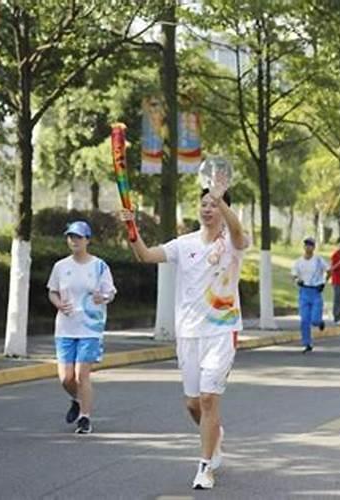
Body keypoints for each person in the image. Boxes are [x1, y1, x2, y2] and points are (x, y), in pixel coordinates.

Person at [119, 188, 249, 491]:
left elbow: (239, 231)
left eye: (214, 204)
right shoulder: (184, 244)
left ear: (225, 210)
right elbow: (146, 255)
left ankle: (204, 468)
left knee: (207, 399)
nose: (207, 209)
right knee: (192, 404)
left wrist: (222, 199)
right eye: (203, 204)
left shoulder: (234, 244)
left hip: (221, 331)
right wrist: (132, 229)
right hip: (189, 333)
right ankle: (214, 435)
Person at [46, 220, 116, 435]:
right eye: (71, 237)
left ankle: (85, 418)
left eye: (78, 237)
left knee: (80, 375)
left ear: (87, 240)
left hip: (90, 327)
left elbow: (111, 293)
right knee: (65, 378)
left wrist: (101, 297)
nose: (74, 241)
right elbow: (52, 291)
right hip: (65, 327)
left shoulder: (99, 266)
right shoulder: (61, 266)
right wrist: (58, 304)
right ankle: (76, 400)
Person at [290, 237, 329, 353]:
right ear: (304, 247)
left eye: (311, 245)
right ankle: (307, 343)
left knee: (315, 320)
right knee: (304, 320)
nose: (308, 247)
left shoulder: (318, 261)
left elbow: (329, 270)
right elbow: (294, 275)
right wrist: (298, 281)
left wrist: (324, 282)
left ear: (314, 247)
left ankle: (320, 322)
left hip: (316, 291)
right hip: (304, 292)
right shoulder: (298, 262)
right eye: (306, 245)